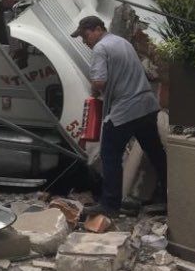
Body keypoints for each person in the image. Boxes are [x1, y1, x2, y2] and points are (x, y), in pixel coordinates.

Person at [71, 16, 167, 217]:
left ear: (98, 29)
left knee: (110, 155)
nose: (85, 41)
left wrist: (94, 94)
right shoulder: (122, 42)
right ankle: (171, 198)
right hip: (146, 105)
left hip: (126, 109)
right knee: (156, 153)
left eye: (86, 35)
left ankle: (110, 205)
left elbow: (98, 81)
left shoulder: (100, 48)